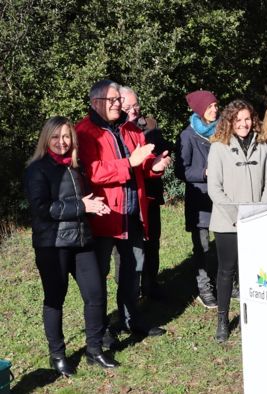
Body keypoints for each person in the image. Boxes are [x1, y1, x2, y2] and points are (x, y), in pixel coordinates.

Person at [25, 117, 119, 375]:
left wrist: (91, 205)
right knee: (55, 299)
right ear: (46, 139)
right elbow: (41, 209)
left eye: (66, 136)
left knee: (96, 294)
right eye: (55, 137)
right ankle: (57, 355)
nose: (61, 142)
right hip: (52, 244)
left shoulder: (77, 167)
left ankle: (94, 349)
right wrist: (81, 206)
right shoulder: (37, 169)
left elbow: (80, 201)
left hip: (81, 240)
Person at [77, 79, 170, 340]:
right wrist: (129, 162)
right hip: (104, 217)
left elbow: (143, 163)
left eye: (119, 99)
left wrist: (154, 166)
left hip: (133, 214)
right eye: (114, 100)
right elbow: (93, 172)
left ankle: (131, 319)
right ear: (96, 103)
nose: (120, 104)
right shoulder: (84, 132)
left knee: (132, 270)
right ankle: (101, 328)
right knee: (99, 277)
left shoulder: (130, 129)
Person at [207, 100, 267, 342]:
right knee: (227, 271)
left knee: (252, 271)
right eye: (238, 120)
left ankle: (251, 314)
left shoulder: (261, 146)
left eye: (247, 119)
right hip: (228, 223)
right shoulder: (219, 148)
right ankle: (223, 319)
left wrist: (260, 211)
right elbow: (215, 189)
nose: (244, 124)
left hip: (256, 220)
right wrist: (238, 216)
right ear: (230, 122)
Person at [118, 86, 170, 300]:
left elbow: (161, 150)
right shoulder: (115, 132)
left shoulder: (150, 125)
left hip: (150, 194)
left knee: (152, 243)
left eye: (135, 105)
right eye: (127, 107)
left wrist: (161, 161)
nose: (133, 110)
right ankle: (132, 291)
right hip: (128, 197)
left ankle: (151, 284)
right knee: (127, 251)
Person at [175, 90, 219, 309]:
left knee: (223, 243)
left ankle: (226, 282)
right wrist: (204, 173)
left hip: (221, 199)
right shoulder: (187, 136)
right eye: (210, 107)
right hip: (200, 200)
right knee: (202, 246)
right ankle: (204, 288)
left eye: (215, 106)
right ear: (200, 110)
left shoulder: (222, 132)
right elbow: (180, 171)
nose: (215, 110)